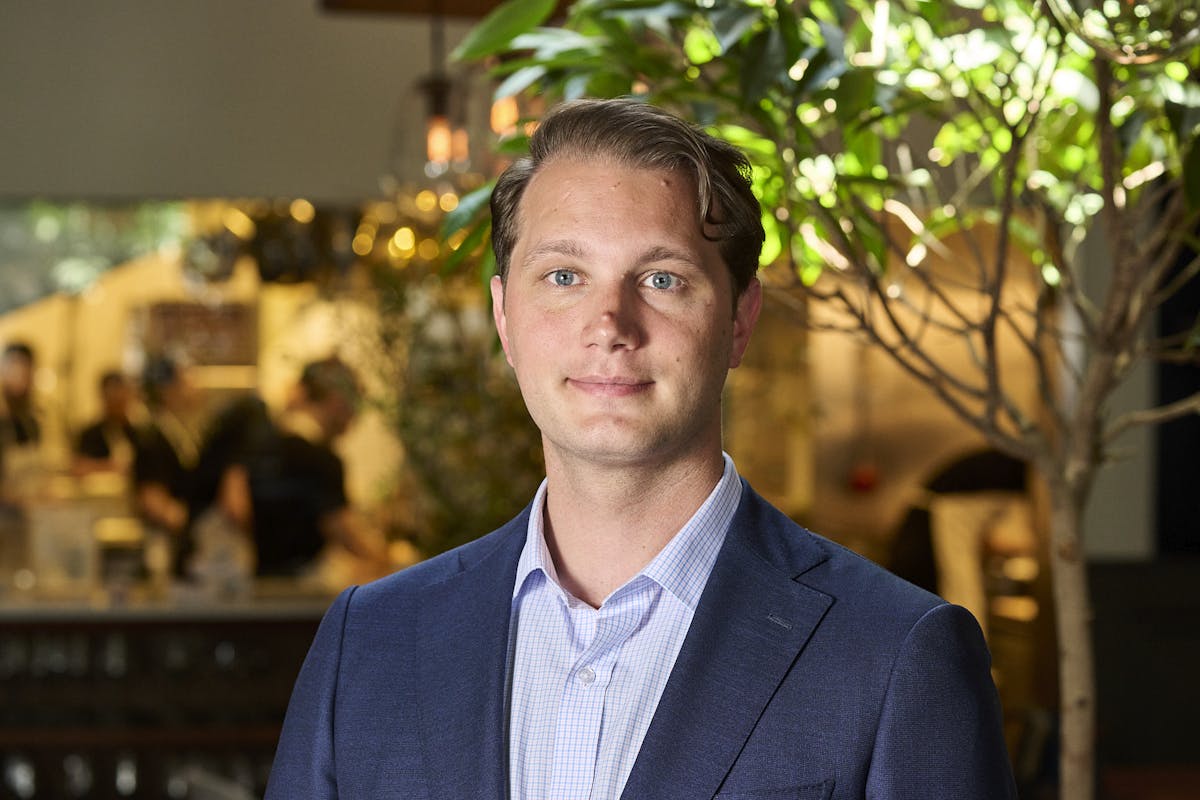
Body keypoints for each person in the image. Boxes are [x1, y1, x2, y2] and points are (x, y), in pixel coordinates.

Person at [266, 99, 1017, 799]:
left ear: (740, 320)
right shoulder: (369, 642)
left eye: (661, 278)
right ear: (504, 316)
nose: (609, 323)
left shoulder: (895, 655)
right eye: (564, 276)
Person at [211, 357, 389, 578]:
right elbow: (344, 531)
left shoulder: (259, 444)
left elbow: (234, 509)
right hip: (304, 586)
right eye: (356, 404)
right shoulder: (323, 460)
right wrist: (387, 560)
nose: (355, 417)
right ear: (337, 401)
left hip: (257, 581)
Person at [73, 370, 137, 476]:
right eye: (112, 396)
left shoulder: (138, 433)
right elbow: (78, 468)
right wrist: (111, 466)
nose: (117, 400)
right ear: (103, 397)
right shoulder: (90, 434)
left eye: (122, 394)